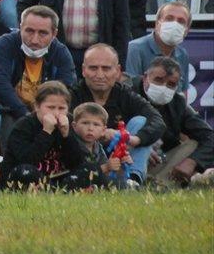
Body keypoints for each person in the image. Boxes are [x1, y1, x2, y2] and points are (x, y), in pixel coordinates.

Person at [69, 44, 165, 185]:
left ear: (118, 71)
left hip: (121, 157)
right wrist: (97, 134)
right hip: (84, 160)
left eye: (106, 68)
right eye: (93, 68)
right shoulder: (72, 95)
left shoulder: (126, 94)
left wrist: (134, 139)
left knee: (140, 121)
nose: (100, 75)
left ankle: (133, 180)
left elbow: (158, 121)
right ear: (83, 70)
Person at [0, 5, 76, 137]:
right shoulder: (5, 44)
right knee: (8, 122)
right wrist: (25, 115)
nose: (35, 39)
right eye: (29, 31)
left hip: (49, 111)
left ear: (54, 34)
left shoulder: (61, 52)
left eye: (43, 33)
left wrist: (44, 115)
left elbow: (65, 88)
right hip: (10, 109)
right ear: (20, 27)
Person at [0, 81, 93, 190]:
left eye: (61, 108)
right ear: (37, 106)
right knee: (25, 171)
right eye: (50, 107)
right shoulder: (24, 125)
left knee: (90, 168)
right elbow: (27, 160)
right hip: (25, 175)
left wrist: (66, 135)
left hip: (57, 177)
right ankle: (58, 190)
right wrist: (46, 132)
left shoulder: (68, 123)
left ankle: (58, 189)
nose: (56, 113)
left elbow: (77, 163)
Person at [136, 57, 214, 187]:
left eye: (171, 84)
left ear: (177, 86)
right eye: (158, 80)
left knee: (193, 144)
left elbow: (209, 137)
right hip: (129, 158)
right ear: (145, 78)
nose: (163, 87)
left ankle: (160, 184)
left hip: (162, 162)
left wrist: (193, 161)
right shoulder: (127, 92)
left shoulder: (178, 103)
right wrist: (141, 146)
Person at [125, 2, 192, 93]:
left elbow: (182, 95)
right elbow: (128, 91)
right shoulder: (135, 49)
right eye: (169, 19)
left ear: (186, 30)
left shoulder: (182, 54)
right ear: (157, 23)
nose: (175, 24)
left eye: (181, 21)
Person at [70, 102, 133, 188]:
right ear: (74, 126)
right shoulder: (71, 144)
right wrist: (106, 167)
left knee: (118, 180)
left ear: (103, 130)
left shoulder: (97, 147)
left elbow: (107, 173)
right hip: (75, 183)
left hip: (95, 184)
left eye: (96, 124)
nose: (90, 128)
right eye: (85, 123)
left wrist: (120, 165)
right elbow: (79, 173)